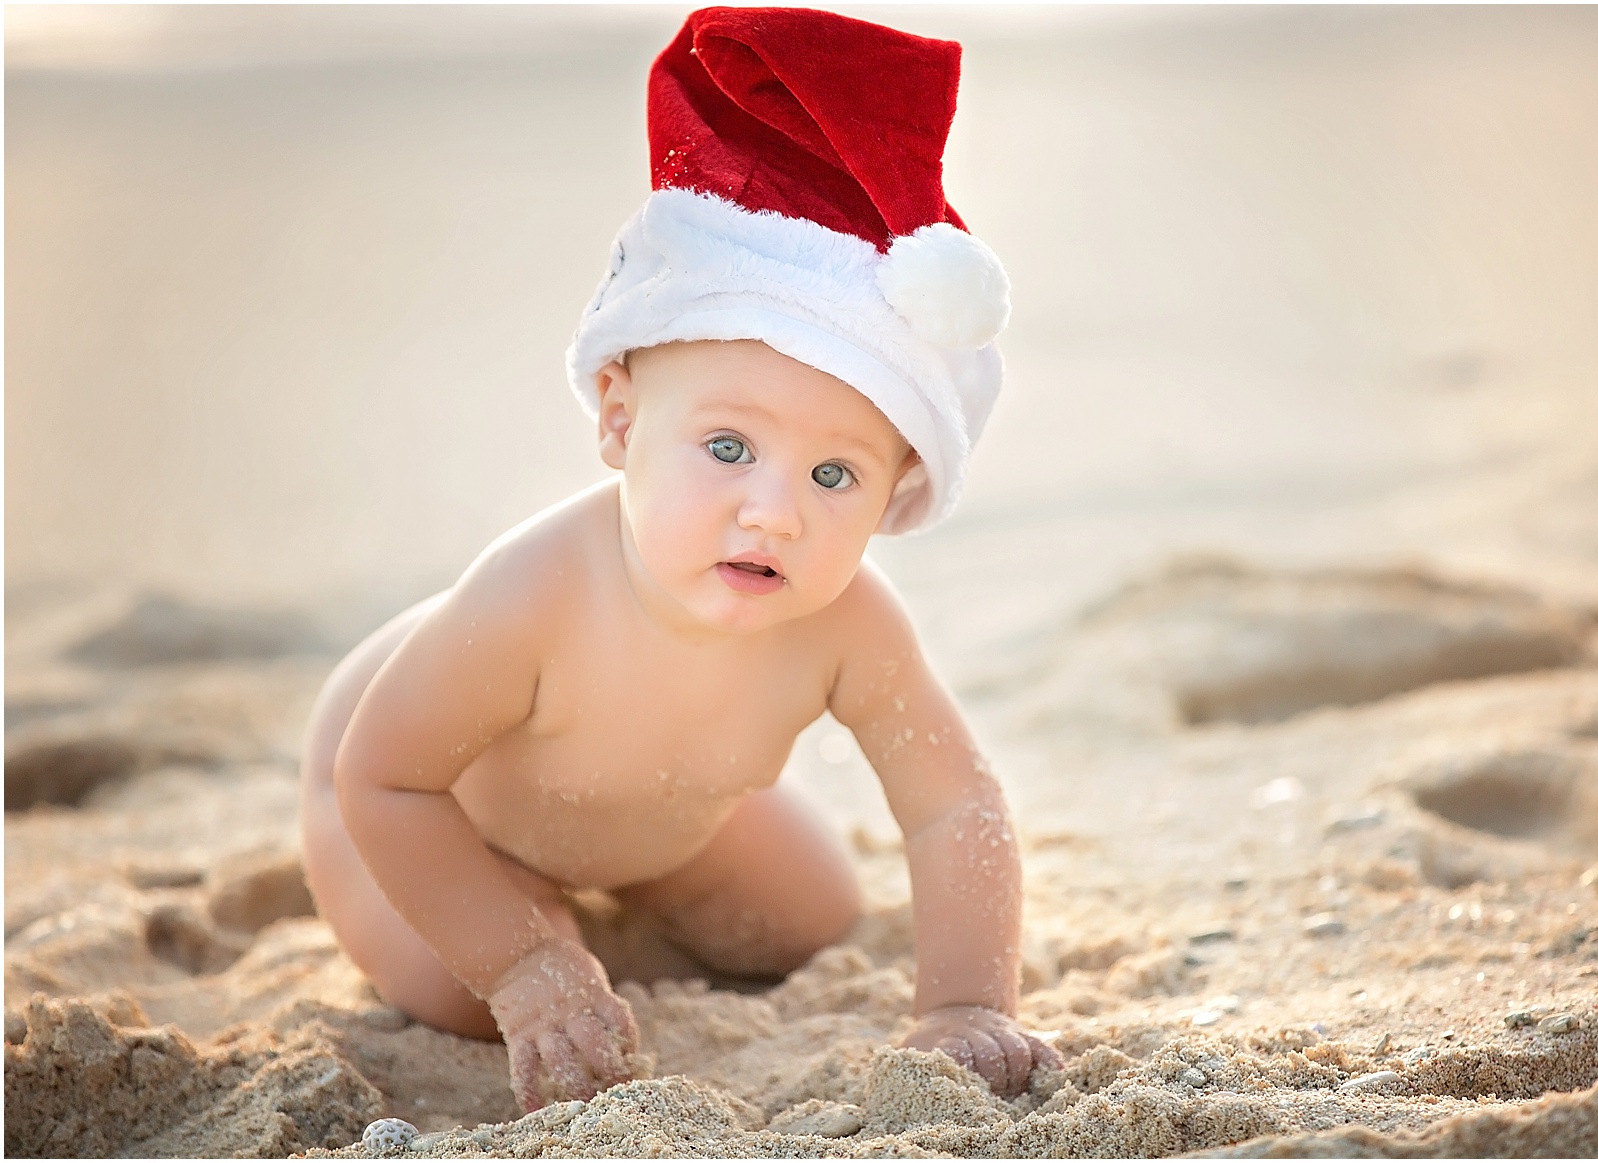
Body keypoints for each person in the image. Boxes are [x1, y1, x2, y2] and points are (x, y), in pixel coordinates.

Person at [299, 6, 1059, 1114]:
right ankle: (542, 927)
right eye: (728, 447)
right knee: (467, 990)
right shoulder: (537, 598)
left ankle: (623, 898)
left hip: (663, 809)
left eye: (833, 475)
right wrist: (525, 965)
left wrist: (963, 999)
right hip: (417, 797)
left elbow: (955, 807)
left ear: (896, 489)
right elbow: (386, 777)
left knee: (809, 917)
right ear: (618, 419)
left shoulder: (849, 624)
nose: (774, 514)